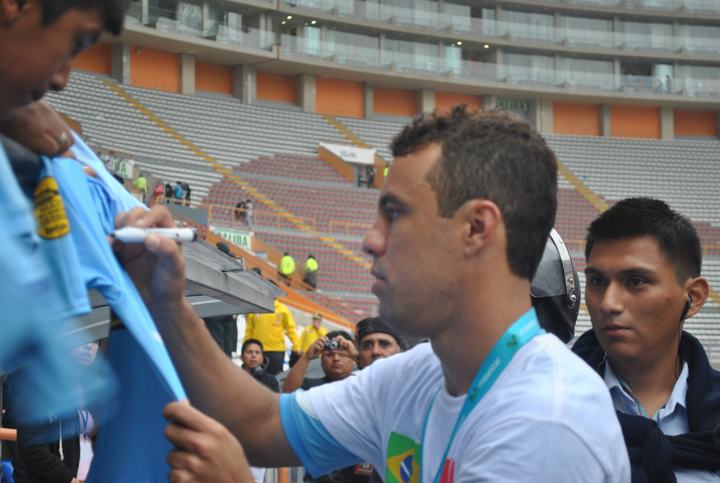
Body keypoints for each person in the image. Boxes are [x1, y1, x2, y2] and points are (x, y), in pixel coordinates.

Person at [117, 107, 629, 482]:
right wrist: (169, 305)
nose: (370, 240)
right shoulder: (415, 374)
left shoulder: (545, 422)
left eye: (395, 214)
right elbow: (260, 423)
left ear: (476, 229)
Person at [572, 197, 719, 482]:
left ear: (693, 297)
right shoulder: (547, 401)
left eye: (636, 281)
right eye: (598, 281)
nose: (609, 304)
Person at [16, 340, 100, 483]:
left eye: (95, 341)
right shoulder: (39, 386)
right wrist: (69, 480)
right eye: (80, 339)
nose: (88, 346)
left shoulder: (95, 388)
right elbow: (33, 449)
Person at [282, 331, 356, 393]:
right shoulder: (310, 387)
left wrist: (356, 356)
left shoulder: (360, 386)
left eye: (342, 354)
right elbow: (288, 393)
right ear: (321, 360)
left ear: (352, 358)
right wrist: (306, 357)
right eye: (329, 354)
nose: (336, 358)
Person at [244, 298, 301, 375]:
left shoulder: (283, 309)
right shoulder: (256, 309)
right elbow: (249, 330)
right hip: (258, 351)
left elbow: (290, 329)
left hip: (276, 351)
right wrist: (245, 347)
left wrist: (297, 346)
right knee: (255, 377)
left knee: (274, 378)